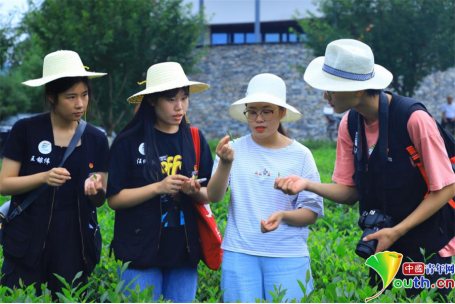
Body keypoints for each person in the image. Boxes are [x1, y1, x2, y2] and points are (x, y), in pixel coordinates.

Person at [276, 39, 455, 298]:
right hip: (382, 246)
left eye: (331, 89)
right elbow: (350, 192)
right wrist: (306, 184)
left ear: (358, 90)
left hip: (427, 246)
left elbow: (447, 188)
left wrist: (397, 231)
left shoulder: (413, 119)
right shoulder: (349, 124)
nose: (325, 97)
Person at [207, 73, 324, 303]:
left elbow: (311, 213)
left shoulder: (301, 155)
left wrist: (283, 216)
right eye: (252, 111)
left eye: (267, 111)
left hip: (288, 256)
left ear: (282, 112)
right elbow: (213, 196)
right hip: (240, 254)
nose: (258, 119)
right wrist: (225, 163)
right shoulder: (232, 150)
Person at [0, 50, 109, 294]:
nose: (80, 104)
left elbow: (101, 200)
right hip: (27, 243)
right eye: (70, 97)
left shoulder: (96, 138)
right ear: (52, 97)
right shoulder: (25, 130)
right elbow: (3, 184)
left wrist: (96, 191)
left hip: (75, 246)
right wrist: (43, 177)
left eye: (85, 95)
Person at [107, 62, 213, 302]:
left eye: (184, 98)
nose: (179, 107)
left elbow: (208, 194)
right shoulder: (128, 142)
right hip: (139, 252)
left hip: (183, 252)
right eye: (170, 99)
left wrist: (194, 191)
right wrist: (159, 187)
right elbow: (114, 199)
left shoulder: (194, 138)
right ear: (152, 100)